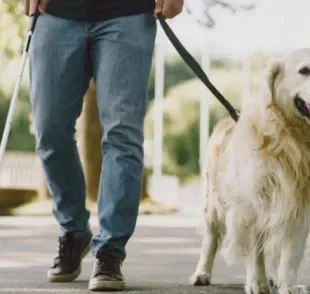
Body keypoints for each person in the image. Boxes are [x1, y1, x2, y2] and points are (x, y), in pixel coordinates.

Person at [24, 0, 183, 291]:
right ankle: (74, 230)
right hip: (55, 12)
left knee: (123, 132)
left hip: (128, 13)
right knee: (50, 131)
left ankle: (110, 249)